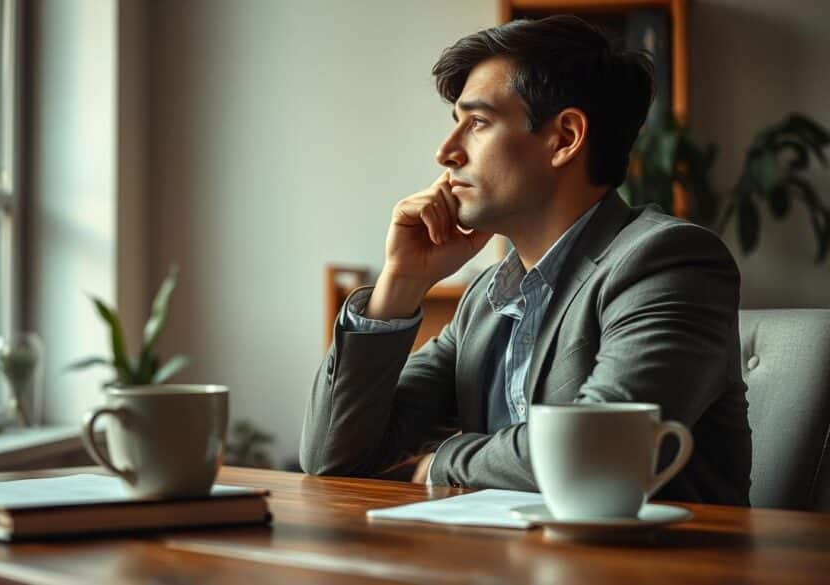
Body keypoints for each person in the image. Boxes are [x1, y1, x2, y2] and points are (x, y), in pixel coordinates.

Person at [299, 15, 751, 505]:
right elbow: (331, 456)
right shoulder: (486, 299)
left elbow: (598, 449)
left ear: (565, 137)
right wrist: (400, 284)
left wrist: (440, 462)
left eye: (477, 123)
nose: (446, 153)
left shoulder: (667, 261)